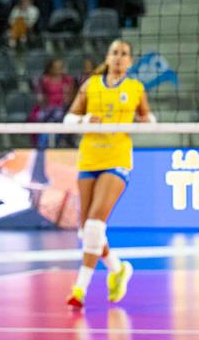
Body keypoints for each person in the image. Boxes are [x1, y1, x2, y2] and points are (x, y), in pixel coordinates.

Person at [62, 39, 150, 307]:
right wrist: (85, 120)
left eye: (124, 54)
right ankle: (117, 269)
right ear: (108, 57)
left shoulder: (135, 88)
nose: (119, 57)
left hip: (117, 158)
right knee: (86, 231)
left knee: (94, 225)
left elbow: (147, 118)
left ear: (130, 61)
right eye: (115, 53)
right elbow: (68, 119)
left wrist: (147, 123)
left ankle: (80, 289)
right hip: (89, 158)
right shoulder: (91, 85)